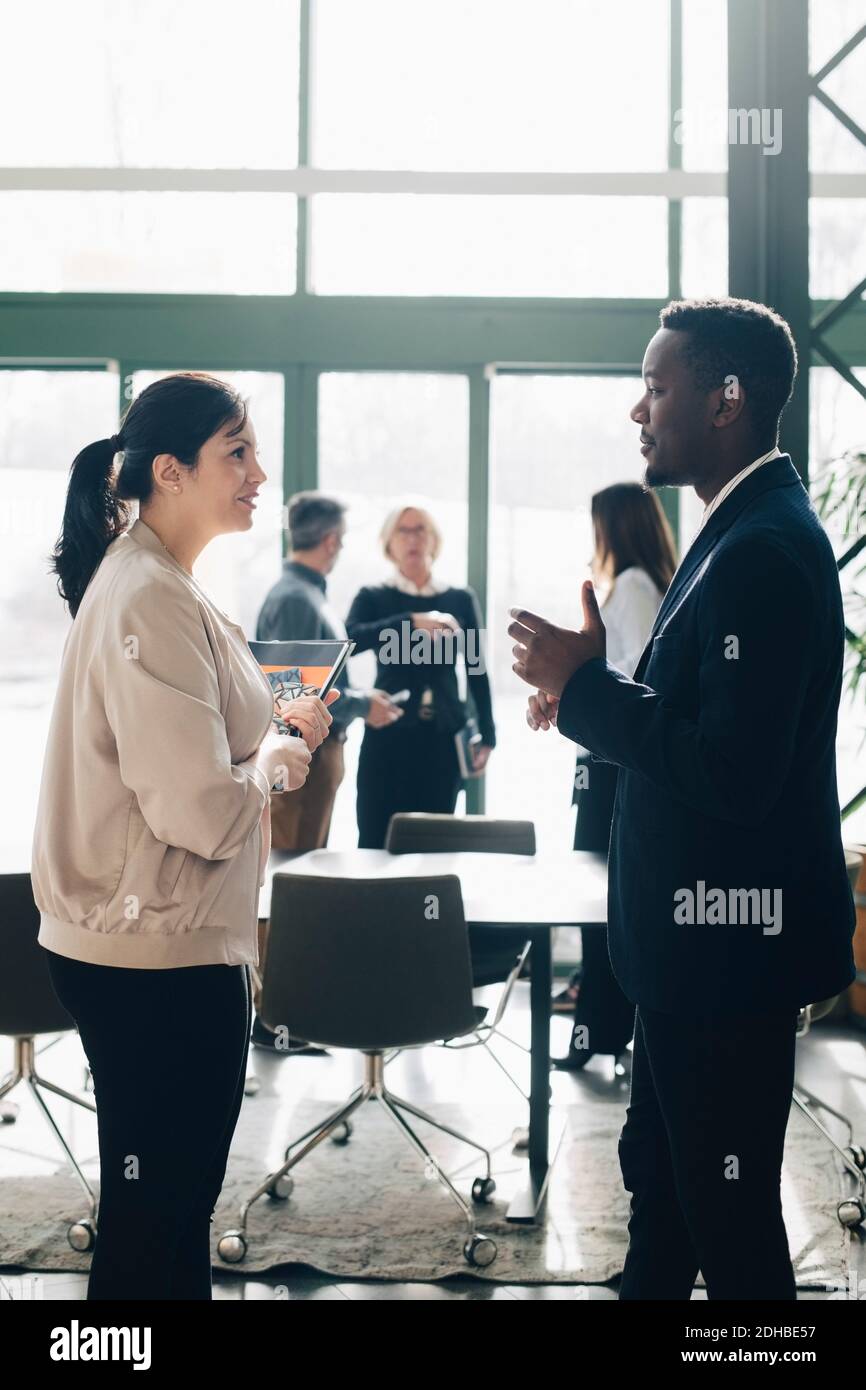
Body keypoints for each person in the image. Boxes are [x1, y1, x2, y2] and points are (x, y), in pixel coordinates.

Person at [509, 297, 856, 1300]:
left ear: (726, 399)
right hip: (691, 954)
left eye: (656, 387)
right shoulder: (738, 528)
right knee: (663, 1196)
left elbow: (733, 772)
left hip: (720, 955)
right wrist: (590, 699)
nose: (638, 410)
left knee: (730, 1228)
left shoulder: (758, 550)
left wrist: (585, 688)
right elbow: (699, 718)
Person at [30, 372, 336, 1300]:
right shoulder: (150, 597)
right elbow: (198, 810)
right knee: (157, 1216)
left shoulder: (160, 584)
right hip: (153, 958)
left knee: (160, 1213)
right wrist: (286, 751)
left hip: (159, 945)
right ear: (169, 470)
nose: (257, 473)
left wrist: (278, 729)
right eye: (235, 452)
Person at [251, 490, 402, 1052]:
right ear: (333, 539)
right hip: (298, 762)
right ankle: (271, 1018)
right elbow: (292, 691)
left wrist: (360, 700)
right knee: (284, 882)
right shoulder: (296, 598)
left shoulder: (303, 595)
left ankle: (278, 1012)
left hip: (311, 757)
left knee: (293, 877)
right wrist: (363, 705)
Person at [552, 483, 676, 1071]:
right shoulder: (652, 584)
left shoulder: (630, 588)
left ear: (615, 528)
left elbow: (619, 681)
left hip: (610, 763)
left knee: (598, 899)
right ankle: (602, 1031)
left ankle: (597, 1034)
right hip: (617, 758)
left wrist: (564, 684)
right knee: (607, 899)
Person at [346, 501, 495, 849]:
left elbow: (476, 668)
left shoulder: (459, 599)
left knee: (436, 844)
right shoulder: (374, 597)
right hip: (387, 736)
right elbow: (349, 640)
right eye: (403, 530)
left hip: (442, 739)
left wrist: (487, 733)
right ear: (389, 543)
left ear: (433, 540)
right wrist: (412, 621)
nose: (412, 539)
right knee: (375, 840)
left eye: (420, 530)